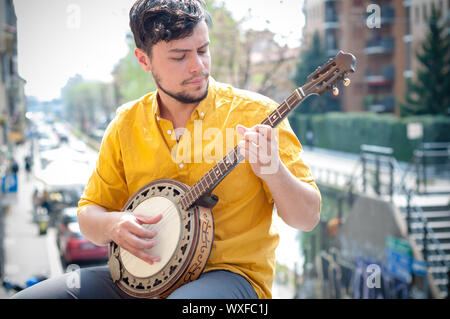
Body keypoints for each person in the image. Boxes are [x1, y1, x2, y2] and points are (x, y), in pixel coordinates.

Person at [13, 0, 321, 299]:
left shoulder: (257, 114)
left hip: (232, 277)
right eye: (179, 56)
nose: (198, 66)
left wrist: (275, 172)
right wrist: (114, 224)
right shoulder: (125, 124)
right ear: (144, 59)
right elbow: (89, 216)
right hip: (141, 280)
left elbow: (307, 218)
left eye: (203, 50)